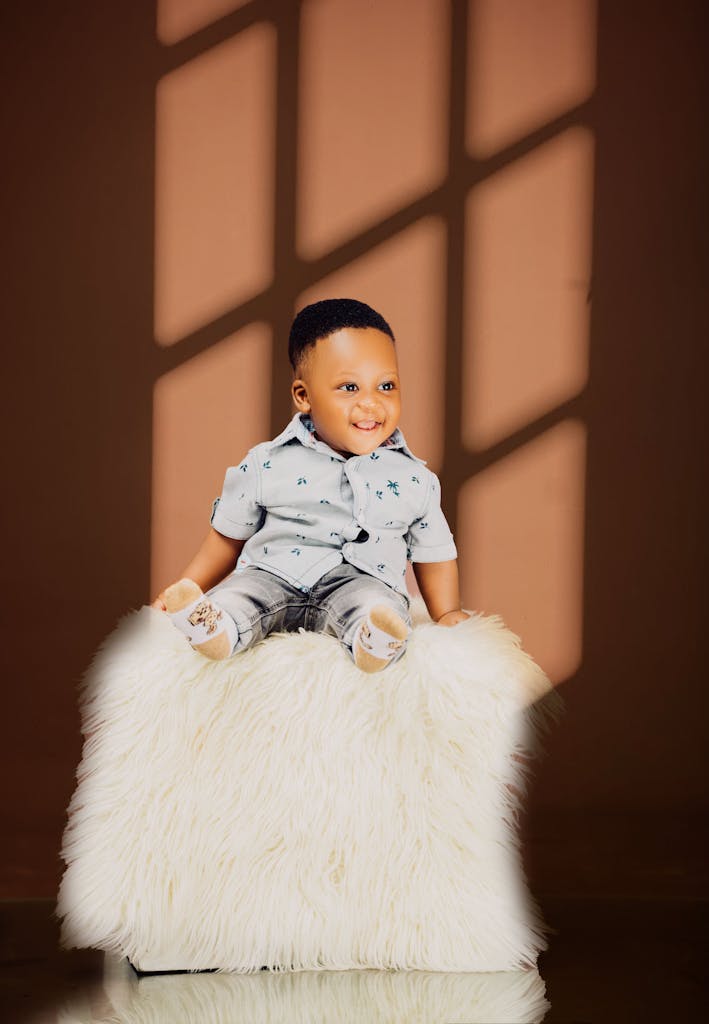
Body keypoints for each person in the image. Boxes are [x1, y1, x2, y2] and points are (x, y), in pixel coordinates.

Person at [152, 298, 470, 672]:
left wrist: (446, 610)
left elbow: (435, 555)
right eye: (349, 387)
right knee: (242, 595)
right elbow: (225, 539)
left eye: (386, 385)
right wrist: (190, 583)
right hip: (274, 574)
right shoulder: (266, 463)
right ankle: (217, 627)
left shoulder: (415, 479)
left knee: (374, 605)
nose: (371, 403)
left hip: (361, 580)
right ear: (304, 396)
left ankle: (372, 641)